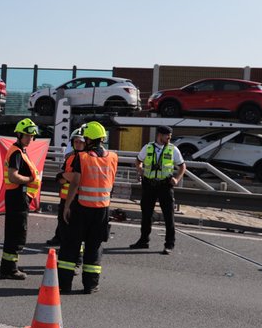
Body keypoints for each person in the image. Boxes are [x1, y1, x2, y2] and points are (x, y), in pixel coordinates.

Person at [58, 122, 118, 294]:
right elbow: (110, 182)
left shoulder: (82, 157)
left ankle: (64, 285)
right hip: (102, 209)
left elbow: (75, 182)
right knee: (94, 246)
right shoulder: (113, 157)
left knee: (71, 246)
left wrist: (67, 206)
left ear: (90, 138)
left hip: (82, 207)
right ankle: (91, 285)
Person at [130, 125, 186, 254]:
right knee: (146, 215)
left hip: (165, 186)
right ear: (159, 135)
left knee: (168, 215)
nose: (169, 138)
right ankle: (143, 241)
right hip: (149, 185)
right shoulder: (148, 147)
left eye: (170, 136)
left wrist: (176, 179)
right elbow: (138, 161)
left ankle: (169, 244)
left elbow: (182, 166)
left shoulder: (173, 149)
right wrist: (141, 170)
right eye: (167, 136)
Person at [0, 118, 41, 279]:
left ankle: (10, 265)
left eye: (32, 136)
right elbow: (13, 176)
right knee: (16, 232)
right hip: (17, 196)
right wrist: (30, 180)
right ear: (19, 135)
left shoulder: (20, 150)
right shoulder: (17, 152)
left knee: (15, 231)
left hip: (19, 196)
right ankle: (9, 269)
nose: (30, 139)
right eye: (27, 136)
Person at [46, 127, 87, 246]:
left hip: (77, 198)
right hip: (65, 196)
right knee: (62, 221)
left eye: (81, 142)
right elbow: (62, 178)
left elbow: (74, 178)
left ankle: (71, 249)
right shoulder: (70, 157)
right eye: (76, 142)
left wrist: (64, 176)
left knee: (74, 227)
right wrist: (64, 176)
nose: (78, 144)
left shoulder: (85, 158)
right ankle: (60, 239)